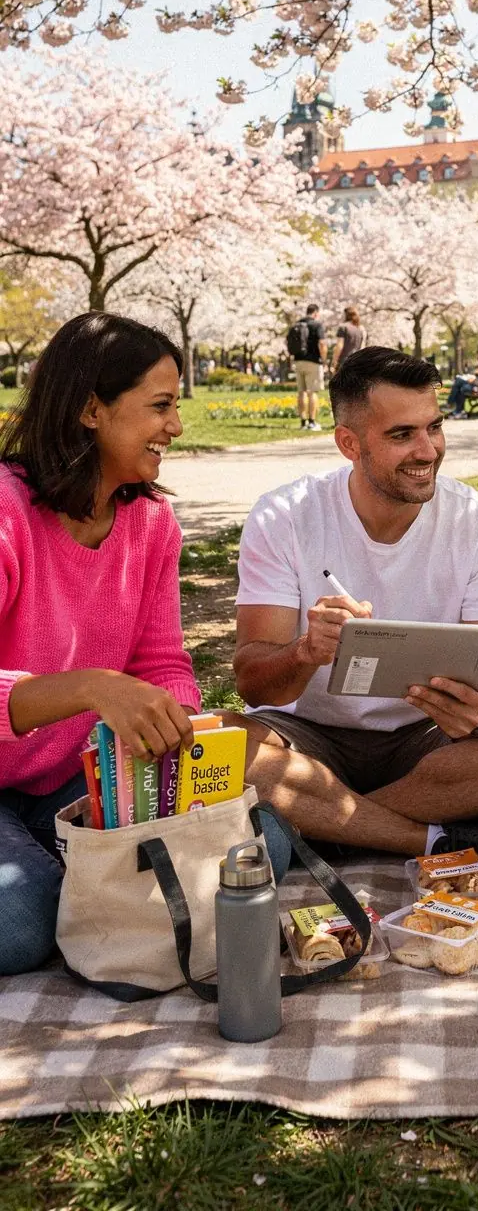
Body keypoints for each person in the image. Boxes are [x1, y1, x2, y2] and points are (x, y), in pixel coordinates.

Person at [231, 346, 478, 872]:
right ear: (349, 443)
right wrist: (305, 651)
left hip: (430, 744)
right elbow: (255, 685)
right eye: (402, 435)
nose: (428, 450)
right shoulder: (284, 515)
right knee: (219, 749)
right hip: (308, 738)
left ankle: (328, 827)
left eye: (434, 427)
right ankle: (430, 840)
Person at [0, 312, 202, 976]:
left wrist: (177, 734)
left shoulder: (151, 522)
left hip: (74, 779)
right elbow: (107, 682)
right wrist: (91, 687)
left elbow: (162, 663)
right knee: (20, 918)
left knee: (266, 842)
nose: (175, 426)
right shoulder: (6, 514)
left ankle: (84, 887)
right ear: (91, 409)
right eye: (161, 406)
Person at [287, 303, 327, 431]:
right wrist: (324, 360)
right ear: (316, 313)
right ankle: (312, 422)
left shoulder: (297, 324)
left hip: (298, 361)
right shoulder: (317, 325)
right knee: (313, 392)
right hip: (313, 362)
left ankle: (303, 422)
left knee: (301, 392)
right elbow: (322, 343)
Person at [331, 306, 366, 375]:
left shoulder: (343, 327)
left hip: (344, 362)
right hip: (356, 362)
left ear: (346, 315)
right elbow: (362, 347)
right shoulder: (360, 329)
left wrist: (334, 362)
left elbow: (339, 346)